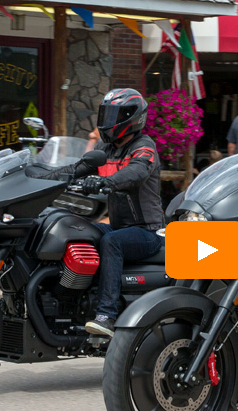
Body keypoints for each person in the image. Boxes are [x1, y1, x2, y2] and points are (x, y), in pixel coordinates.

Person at [38, 88, 164, 340]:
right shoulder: (106, 148)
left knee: (111, 242)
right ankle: (69, 301)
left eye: (115, 115)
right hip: (119, 227)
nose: (108, 120)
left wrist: (105, 182)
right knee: (72, 229)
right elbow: (78, 167)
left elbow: (136, 172)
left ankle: (106, 314)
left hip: (148, 231)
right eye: (107, 114)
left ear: (132, 117)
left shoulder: (144, 147)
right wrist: (39, 178)